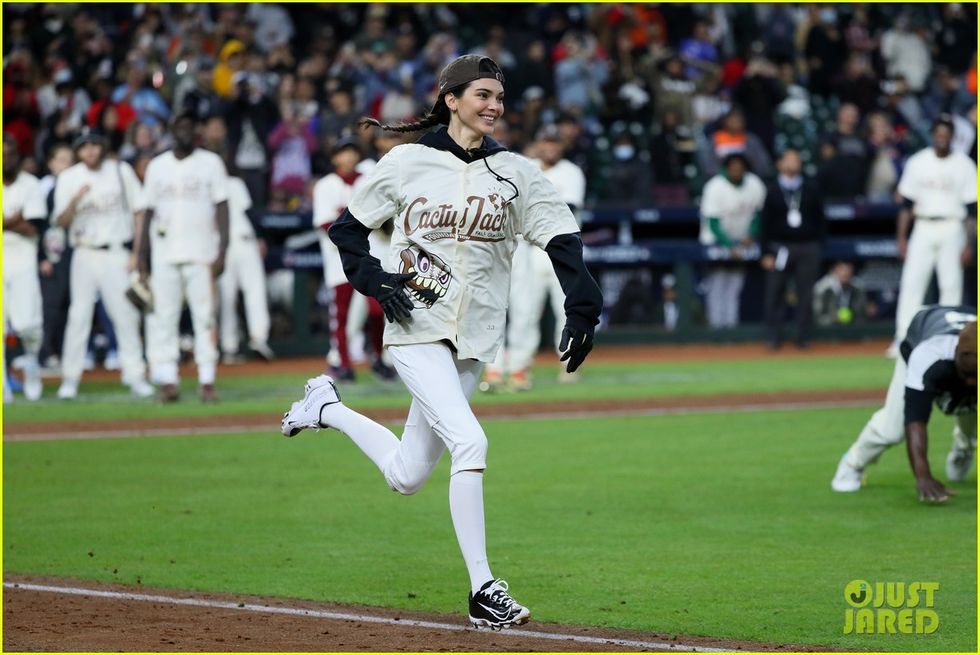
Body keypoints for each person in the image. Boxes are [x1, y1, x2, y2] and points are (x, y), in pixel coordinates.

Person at [280, 55, 602, 630]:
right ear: (451, 99)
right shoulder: (406, 162)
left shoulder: (516, 172)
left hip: (474, 337)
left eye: (498, 97)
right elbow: (348, 230)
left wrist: (582, 305)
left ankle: (324, 407)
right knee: (471, 443)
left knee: (407, 476)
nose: (493, 106)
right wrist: (373, 279)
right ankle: (483, 589)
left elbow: (561, 237)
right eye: (481, 94)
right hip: (414, 329)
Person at [832, 306, 977, 502]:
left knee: (971, 404)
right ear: (957, 353)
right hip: (920, 335)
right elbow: (915, 420)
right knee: (893, 429)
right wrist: (923, 476)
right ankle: (852, 464)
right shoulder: (928, 355)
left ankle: (964, 446)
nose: (972, 382)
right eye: (968, 375)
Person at [484, 124, 586, 391]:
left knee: (533, 312)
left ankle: (525, 368)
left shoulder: (571, 172)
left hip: (553, 249)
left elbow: (566, 208)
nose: (550, 146)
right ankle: (495, 369)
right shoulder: (524, 164)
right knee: (501, 309)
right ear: (538, 144)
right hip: (518, 247)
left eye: (555, 142)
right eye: (546, 142)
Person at [53, 131, 154, 399]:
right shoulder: (69, 177)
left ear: (102, 147)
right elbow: (60, 222)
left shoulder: (120, 170)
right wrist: (76, 199)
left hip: (116, 251)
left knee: (126, 315)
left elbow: (140, 211)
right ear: (77, 151)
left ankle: (135, 375)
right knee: (79, 316)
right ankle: (70, 379)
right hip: (84, 252)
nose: (89, 150)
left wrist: (137, 253)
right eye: (84, 146)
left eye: (94, 145)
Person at [139, 112, 230, 403]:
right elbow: (147, 212)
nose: (184, 132)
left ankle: (207, 379)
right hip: (164, 255)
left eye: (189, 127)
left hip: (202, 253)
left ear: (197, 132)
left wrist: (223, 249)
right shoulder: (157, 166)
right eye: (179, 127)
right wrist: (141, 256)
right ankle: (168, 381)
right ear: (171, 131)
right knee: (164, 319)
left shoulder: (210, 163)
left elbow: (222, 207)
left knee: (205, 318)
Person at [891, 116, 978, 354]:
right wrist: (902, 238)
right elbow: (906, 204)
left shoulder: (965, 164)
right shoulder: (918, 162)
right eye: (938, 134)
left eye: (946, 134)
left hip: (953, 226)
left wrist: (970, 243)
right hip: (923, 225)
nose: (942, 138)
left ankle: (949, 341)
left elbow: (972, 209)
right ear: (932, 136)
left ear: (952, 137)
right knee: (912, 283)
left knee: (951, 285)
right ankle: (902, 339)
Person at [760, 149, 825, 350]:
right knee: (775, 292)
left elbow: (821, 220)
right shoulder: (772, 191)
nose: (792, 163)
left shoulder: (811, 189)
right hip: (780, 247)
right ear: (779, 164)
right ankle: (773, 337)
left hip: (807, 247)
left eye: (796, 159)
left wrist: (817, 245)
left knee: (805, 293)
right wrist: (766, 252)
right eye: (788, 159)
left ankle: (803, 337)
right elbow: (764, 225)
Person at [698, 152, 766, 330]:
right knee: (717, 285)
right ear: (726, 169)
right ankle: (716, 327)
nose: (736, 170)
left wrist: (751, 234)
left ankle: (731, 327)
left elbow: (758, 215)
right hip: (715, 241)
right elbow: (712, 223)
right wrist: (729, 246)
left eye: (740, 167)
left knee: (735, 287)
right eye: (733, 167)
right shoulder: (714, 187)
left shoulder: (754, 184)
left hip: (742, 242)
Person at [217, 158, 274, 364]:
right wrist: (260, 237)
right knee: (234, 296)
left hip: (235, 244)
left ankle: (236, 344)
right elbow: (250, 212)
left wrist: (258, 238)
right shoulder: (229, 184)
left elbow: (248, 211)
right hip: (230, 246)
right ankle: (244, 341)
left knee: (236, 295)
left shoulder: (232, 183)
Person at [2, 134, 46, 401]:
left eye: (10, 153)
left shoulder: (30, 185)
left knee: (28, 324)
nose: (5, 159)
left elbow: (33, 227)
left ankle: (30, 366)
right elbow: (22, 222)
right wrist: (12, 221)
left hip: (22, 259)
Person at [813, 261, 868, 327]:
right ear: (835, 271)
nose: (845, 273)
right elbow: (817, 316)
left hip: (851, 325)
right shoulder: (823, 288)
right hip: (827, 327)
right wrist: (833, 318)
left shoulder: (858, 287)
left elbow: (860, 311)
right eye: (842, 270)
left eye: (848, 270)